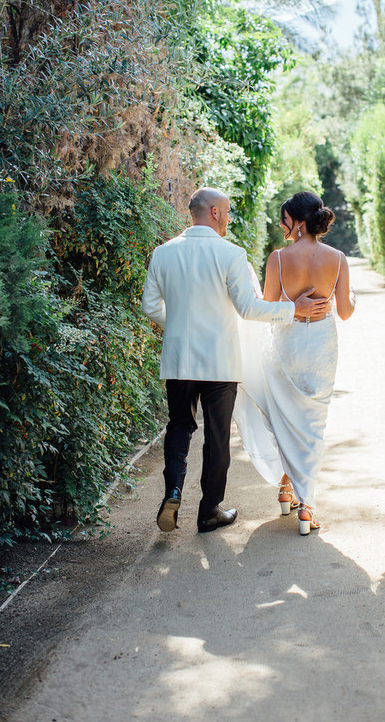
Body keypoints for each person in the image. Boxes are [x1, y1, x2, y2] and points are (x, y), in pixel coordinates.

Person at [141, 187, 331, 534]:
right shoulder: (230, 254)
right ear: (214, 212)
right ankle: (209, 511)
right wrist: (294, 309)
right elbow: (248, 309)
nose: (229, 218)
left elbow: (150, 307)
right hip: (220, 361)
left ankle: (172, 491)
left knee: (180, 426)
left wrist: (182, 325)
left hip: (179, 359)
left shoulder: (163, 253)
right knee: (217, 436)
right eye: (227, 212)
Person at [233, 191, 355, 535]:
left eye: (285, 219)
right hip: (321, 344)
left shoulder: (277, 259)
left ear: (300, 222)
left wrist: (285, 302)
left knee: (286, 419)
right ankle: (306, 506)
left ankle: (290, 490)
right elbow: (344, 312)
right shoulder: (338, 258)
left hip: (286, 343)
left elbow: (270, 309)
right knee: (312, 424)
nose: (281, 224)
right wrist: (351, 297)